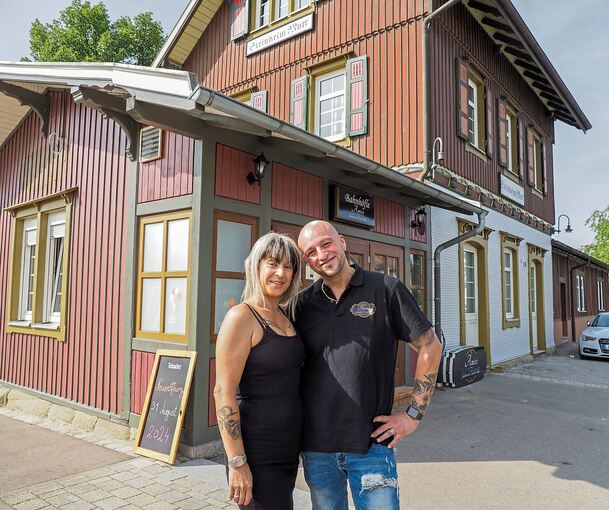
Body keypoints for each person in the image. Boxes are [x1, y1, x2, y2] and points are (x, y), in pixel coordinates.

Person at [295, 220, 442, 510]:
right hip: (316, 449)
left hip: (372, 445)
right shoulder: (302, 304)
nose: (321, 254)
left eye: (326, 243)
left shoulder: (385, 289)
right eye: (311, 252)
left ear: (342, 242)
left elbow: (430, 346)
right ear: (307, 261)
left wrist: (413, 414)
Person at [214, 232, 304, 509]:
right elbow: (223, 393)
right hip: (257, 455)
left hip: (287, 452)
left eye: (288, 267)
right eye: (273, 263)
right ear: (256, 266)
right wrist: (238, 462)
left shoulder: (285, 316)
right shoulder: (241, 317)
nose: (280, 273)